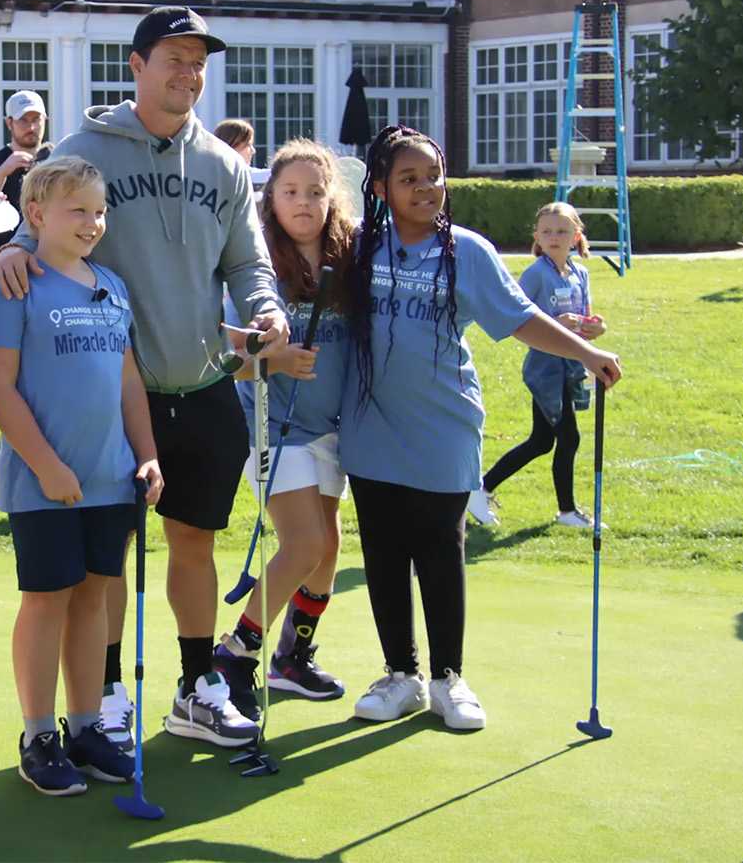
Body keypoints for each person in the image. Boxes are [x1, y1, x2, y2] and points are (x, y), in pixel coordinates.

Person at [0, 6, 288, 749]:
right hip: (116, 394)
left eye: (198, 64)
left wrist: (266, 308)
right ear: (137, 65)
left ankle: (195, 687)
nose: (187, 75)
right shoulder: (86, 147)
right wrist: (10, 249)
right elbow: (45, 228)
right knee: (106, 562)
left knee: (194, 542)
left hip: (203, 384)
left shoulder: (221, 162)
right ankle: (106, 695)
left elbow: (247, 262)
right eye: (173, 60)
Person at [340, 126, 620, 733]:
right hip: (368, 424)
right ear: (382, 187)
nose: (426, 189)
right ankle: (400, 675)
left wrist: (585, 354)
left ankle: (448, 678)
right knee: (383, 553)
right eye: (409, 179)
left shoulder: (467, 250)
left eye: (434, 177)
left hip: (444, 424)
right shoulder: (361, 245)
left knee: (440, 549)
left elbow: (521, 319)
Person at [0, 156, 164, 796]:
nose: (92, 222)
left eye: (99, 210)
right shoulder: (15, 285)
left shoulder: (111, 284)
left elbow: (128, 381)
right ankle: (37, 736)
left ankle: (86, 728)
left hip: (110, 480)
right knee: (47, 601)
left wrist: (147, 454)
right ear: (36, 215)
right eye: (77, 210)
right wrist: (48, 466)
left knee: (93, 602)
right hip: (43, 483)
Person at [217, 140, 355, 704]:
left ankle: (292, 658)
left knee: (329, 547)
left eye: (316, 193)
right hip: (274, 429)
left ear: (332, 200)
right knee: (303, 544)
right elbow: (225, 358)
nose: (303, 203)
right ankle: (235, 654)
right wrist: (271, 359)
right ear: (269, 198)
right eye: (290, 192)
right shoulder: (254, 269)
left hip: (332, 428)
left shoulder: (345, 262)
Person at [472, 202, 608, 529]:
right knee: (568, 438)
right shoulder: (536, 273)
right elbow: (516, 314)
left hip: (572, 367)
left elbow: (586, 315)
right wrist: (555, 322)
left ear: (576, 236)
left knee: (542, 441)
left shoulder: (580, 273)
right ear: (537, 236)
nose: (554, 237)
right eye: (546, 231)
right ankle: (567, 512)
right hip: (545, 371)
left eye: (562, 231)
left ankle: (480, 488)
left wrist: (595, 327)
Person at [0, 90, 51, 251]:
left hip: (50, 257)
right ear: (9, 123)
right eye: (24, 121)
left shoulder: (57, 160)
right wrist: (4, 170)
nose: (31, 127)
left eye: (36, 119)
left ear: (45, 120)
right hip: (6, 258)